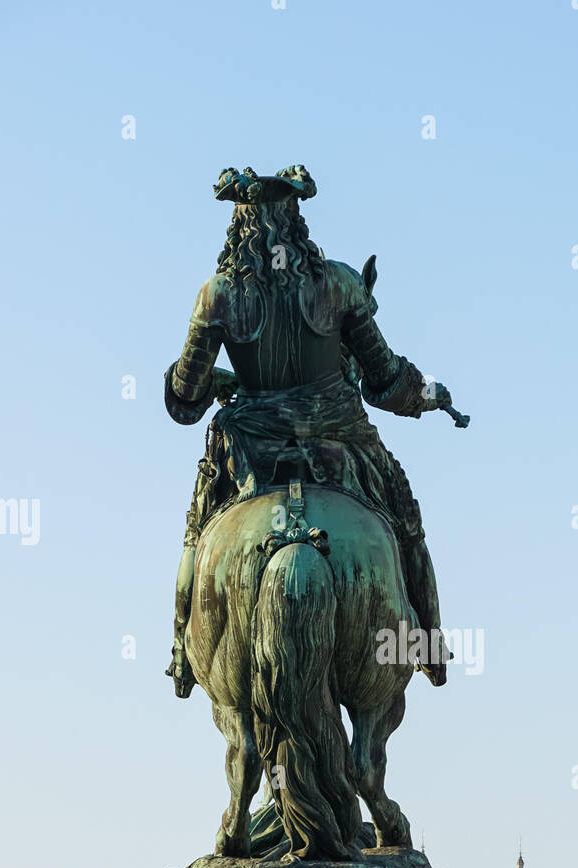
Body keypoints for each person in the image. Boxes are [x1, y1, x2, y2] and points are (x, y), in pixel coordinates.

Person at [165, 164, 454, 696]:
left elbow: (183, 403)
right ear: (296, 220)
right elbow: (385, 381)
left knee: (196, 530)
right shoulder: (340, 283)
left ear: (239, 226)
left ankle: (182, 649)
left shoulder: (217, 296)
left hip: (253, 453)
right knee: (405, 521)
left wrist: (218, 381)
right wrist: (428, 394)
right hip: (339, 442)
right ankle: (428, 643)